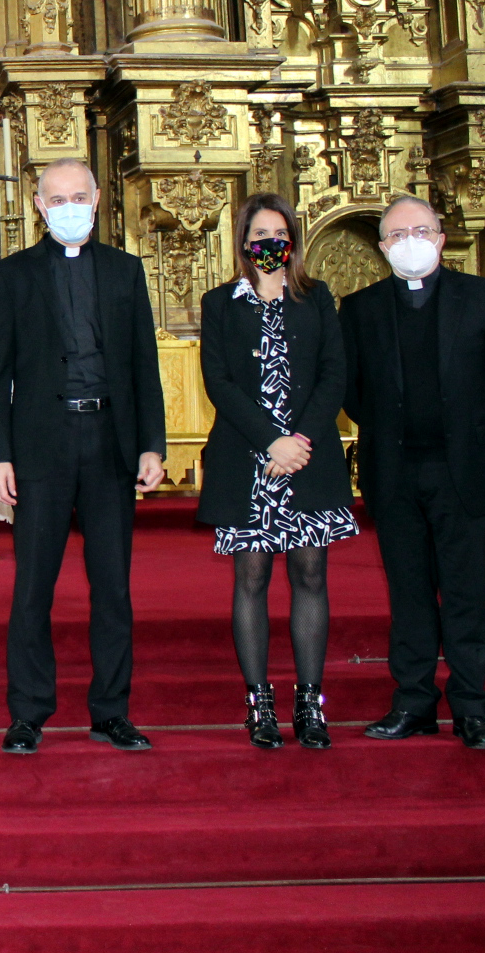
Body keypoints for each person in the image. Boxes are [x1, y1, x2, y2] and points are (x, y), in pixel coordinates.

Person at [0, 158, 167, 755]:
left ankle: (112, 709)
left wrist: (152, 443)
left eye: (78, 196)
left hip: (111, 440)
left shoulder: (125, 270)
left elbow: (144, 363)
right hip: (41, 444)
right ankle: (28, 711)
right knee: (33, 584)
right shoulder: (12, 274)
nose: (67, 206)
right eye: (55, 198)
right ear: (38, 205)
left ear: (95, 199)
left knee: (112, 586)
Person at [341, 195, 485, 749]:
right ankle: (414, 702)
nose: (410, 242)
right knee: (410, 594)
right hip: (394, 470)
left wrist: (470, 433)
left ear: (441, 239)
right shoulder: (360, 308)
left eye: (420, 231)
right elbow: (353, 392)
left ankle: (471, 708)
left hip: (461, 470)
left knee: (466, 594)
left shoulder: (484, 298)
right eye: (397, 235)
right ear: (382, 248)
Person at [198, 193, 356, 750]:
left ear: (294, 240)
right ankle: (259, 702)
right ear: (244, 243)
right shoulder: (219, 303)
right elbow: (219, 383)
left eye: (279, 233)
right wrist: (271, 441)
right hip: (251, 460)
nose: (270, 243)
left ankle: (310, 703)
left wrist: (300, 442)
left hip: (307, 459)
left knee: (311, 575)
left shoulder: (317, 300)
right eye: (259, 234)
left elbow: (334, 375)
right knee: (253, 578)